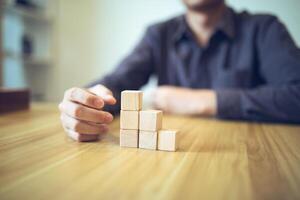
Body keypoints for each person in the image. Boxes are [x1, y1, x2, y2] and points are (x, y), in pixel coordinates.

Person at [59, 0, 300, 142]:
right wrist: (86, 104)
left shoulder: (265, 28)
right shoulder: (158, 34)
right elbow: (117, 83)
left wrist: (202, 101)